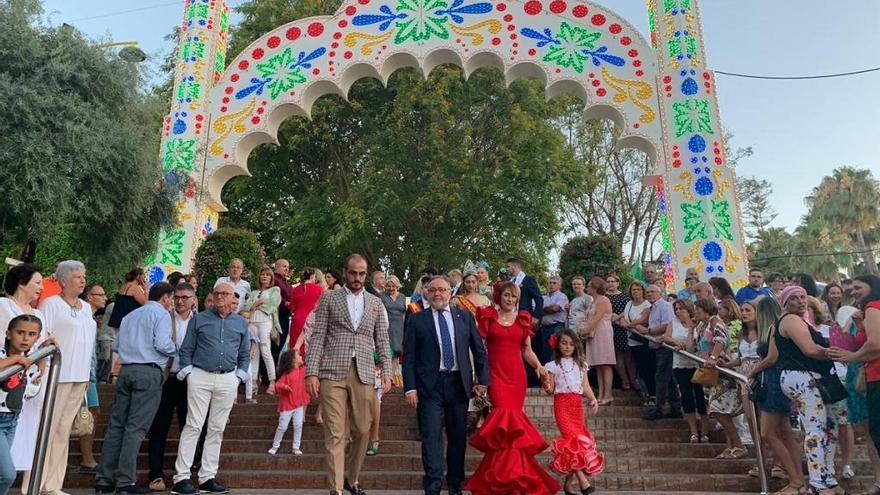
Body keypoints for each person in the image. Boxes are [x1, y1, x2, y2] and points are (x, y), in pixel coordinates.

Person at [305, 254, 392, 495]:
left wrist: (387, 371)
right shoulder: (329, 298)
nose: (357, 278)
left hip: (364, 372)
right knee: (335, 432)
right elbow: (318, 336)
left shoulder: (375, 303)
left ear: (366, 274)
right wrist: (311, 373)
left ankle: (351, 479)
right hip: (332, 371)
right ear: (345, 272)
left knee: (364, 430)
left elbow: (383, 340)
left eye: (362, 273)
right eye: (353, 273)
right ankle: (336, 490)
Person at [464, 281, 559, 495]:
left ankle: (512, 477)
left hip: (517, 377)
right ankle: (503, 477)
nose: (510, 299)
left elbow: (527, 350)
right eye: (506, 295)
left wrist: (539, 367)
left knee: (513, 427)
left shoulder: (523, 320)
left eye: (514, 297)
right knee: (502, 423)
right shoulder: (488, 317)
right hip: (495, 376)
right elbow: (480, 350)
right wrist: (480, 377)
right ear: (499, 297)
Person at [402, 276, 490, 495]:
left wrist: (483, 381)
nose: (438, 294)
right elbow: (409, 357)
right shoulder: (416, 319)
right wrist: (410, 387)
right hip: (429, 388)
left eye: (442, 290)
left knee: (458, 437)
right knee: (431, 437)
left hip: (458, 385)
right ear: (427, 293)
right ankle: (432, 486)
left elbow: (479, 352)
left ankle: (454, 485)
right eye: (433, 291)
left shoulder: (464, 317)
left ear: (451, 292)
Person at [169, 282, 251, 495]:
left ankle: (207, 477)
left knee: (217, 429)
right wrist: (189, 374)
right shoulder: (199, 319)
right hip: (200, 376)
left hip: (228, 379)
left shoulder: (240, 323)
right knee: (193, 426)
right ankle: (181, 477)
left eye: (225, 294)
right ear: (212, 297)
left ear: (234, 297)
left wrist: (239, 377)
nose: (220, 297)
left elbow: (244, 353)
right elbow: (186, 349)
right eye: (217, 294)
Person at [95, 282, 177, 494]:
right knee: (136, 427)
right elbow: (162, 343)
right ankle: (125, 481)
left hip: (126, 370)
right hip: (148, 371)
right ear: (166, 298)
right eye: (172, 299)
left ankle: (104, 479)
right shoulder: (161, 315)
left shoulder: (130, 315)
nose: (172, 303)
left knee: (116, 425)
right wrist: (176, 350)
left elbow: (116, 345)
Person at [23, 261, 96, 495]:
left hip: (79, 375)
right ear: (63, 281)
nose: (82, 280)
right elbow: (41, 338)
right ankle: (32, 484)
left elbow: (89, 344)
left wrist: (88, 376)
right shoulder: (50, 304)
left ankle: (53, 484)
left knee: (63, 431)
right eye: (77, 277)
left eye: (83, 276)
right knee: (47, 429)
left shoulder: (86, 307)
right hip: (57, 375)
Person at [775, 285, 842, 495]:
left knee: (830, 426)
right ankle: (817, 482)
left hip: (813, 377)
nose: (800, 301)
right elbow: (809, 349)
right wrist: (840, 353)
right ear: (785, 303)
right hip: (804, 377)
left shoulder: (802, 321)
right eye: (794, 298)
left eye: (803, 297)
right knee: (815, 428)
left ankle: (828, 476)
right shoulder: (791, 320)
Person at [828, 274, 880, 495]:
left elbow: (876, 343)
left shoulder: (873, 307)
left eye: (859, 287)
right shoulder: (868, 311)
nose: (854, 291)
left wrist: (851, 356)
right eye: (853, 288)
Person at [747, 297, 805, 493]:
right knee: (785, 433)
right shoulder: (777, 327)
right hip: (777, 380)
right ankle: (798, 480)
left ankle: (796, 479)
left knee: (767, 433)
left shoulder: (773, 328)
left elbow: (772, 357)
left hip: (773, 381)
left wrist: (753, 371)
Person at [148, 283, 203, 492]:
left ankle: (186, 472)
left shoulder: (199, 321)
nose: (180, 301)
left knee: (188, 426)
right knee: (159, 427)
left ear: (194, 299)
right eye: (177, 297)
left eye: (185, 297)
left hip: (191, 379)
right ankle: (155, 474)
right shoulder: (162, 317)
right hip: (166, 378)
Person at [0, 263, 50, 477]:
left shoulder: (38, 312)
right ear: (22, 283)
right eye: (37, 282)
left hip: (21, 395)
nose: (41, 287)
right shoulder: (4, 305)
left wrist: (43, 356)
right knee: (7, 473)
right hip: (6, 382)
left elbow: (38, 349)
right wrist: (16, 359)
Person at [542, 329, 603, 495]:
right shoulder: (553, 365)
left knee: (577, 444)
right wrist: (546, 385)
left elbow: (585, 386)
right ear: (558, 345)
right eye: (564, 343)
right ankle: (584, 482)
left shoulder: (581, 364)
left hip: (576, 405)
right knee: (571, 442)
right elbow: (551, 389)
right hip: (561, 405)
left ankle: (568, 485)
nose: (567, 347)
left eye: (571, 344)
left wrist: (592, 399)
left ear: (576, 345)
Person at [808, 296, 856, 481]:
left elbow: (846, 353)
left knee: (844, 423)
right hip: (812, 382)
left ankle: (847, 463)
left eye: (809, 308)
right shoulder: (799, 331)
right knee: (822, 424)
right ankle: (826, 464)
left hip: (837, 379)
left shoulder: (831, 331)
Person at [0, 315, 42, 495]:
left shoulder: (27, 361)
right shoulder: (4, 354)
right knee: (8, 474)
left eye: (32, 334)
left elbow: (37, 376)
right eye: (20, 332)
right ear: (9, 334)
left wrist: (45, 349)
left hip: (12, 420)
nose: (25, 338)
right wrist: (15, 360)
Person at [663, 299, 708, 443]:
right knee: (687, 396)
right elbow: (666, 337)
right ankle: (694, 431)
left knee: (700, 397)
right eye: (676, 309)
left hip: (696, 364)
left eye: (681, 309)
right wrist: (677, 343)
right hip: (680, 365)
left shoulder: (699, 324)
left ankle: (705, 431)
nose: (678, 312)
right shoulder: (673, 323)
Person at [640, 285, 682, 420]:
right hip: (657, 345)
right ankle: (675, 408)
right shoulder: (653, 308)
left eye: (653, 292)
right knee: (668, 378)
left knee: (661, 376)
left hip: (665, 345)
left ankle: (659, 407)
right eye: (648, 292)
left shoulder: (664, 306)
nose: (650, 294)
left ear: (660, 293)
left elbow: (667, 324)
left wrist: (649, 331)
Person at [77, 284, 107, 473]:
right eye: (100, 294)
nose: (105, 297)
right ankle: (86, 459)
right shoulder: (82, 315)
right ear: (89, 297)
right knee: (89, 412)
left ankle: (87, 458)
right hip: (82, 372)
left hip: (90, 371)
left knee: (93, 411)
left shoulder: (90, 318)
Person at [242, 266, 281, 395]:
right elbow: (247, 307)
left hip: (265, 321)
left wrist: (256, 305)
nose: (264, 277)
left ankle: (272, 381)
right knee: (254, 351)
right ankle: (253, 381)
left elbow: (273, 305)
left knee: (265, 349)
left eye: (267, 275)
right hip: (253, 321)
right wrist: (257, 303)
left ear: (271, 278)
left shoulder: (275, 289)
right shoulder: (254, 292)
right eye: (262, 274)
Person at [580, 277, 615, 404]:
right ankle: (601, 394)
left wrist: (584, 330)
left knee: (605, 363)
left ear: (595, 288)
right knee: (598, 364)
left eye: (589, 286)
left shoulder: (603, 300)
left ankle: (608, 394)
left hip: (602, 332)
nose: (587, 288)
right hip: (593, 334)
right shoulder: (592, 301)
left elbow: (597, 318)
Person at [269, 351, 309, 456]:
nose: (301, 356)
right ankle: (275, 445)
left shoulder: (303, 370)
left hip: (298, 404)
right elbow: (278, 385)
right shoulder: (287, 374)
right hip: (287, 406)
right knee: (282, 426)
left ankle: (296, 447)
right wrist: (284, 387)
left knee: (298, 425)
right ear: (292, 360)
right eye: (298, 355)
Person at [619, 282, 653, 404]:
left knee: (646, 369)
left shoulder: (647, 304)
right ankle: (643, 393)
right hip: (631, 340)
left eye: (638, 289)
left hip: (643, 341)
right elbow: (624, 315)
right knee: (636, 368)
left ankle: (651, 395)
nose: (636, 291)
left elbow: (644, 318)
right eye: (633, 289)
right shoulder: (629, 303)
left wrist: (630, 325)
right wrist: (622, 320)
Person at [606, 274, 635, 391]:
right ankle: (625, 381)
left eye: (613, 281)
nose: (610, 283)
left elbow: (629, 309)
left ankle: (633, 380)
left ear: (618, 283)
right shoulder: (604, 297)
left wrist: (618, 318)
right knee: (617, 356)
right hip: (611, 329)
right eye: (608, 281)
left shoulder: (625, 296)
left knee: (629, 356)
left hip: (625, 327)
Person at [289, 268, 324, 358]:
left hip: (297, 319)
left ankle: (295, 370)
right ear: (312, 277)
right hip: (311, 320)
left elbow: (292, 308)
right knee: (310, 347)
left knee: (295, 346)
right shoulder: (319, 289)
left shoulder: (296, 289)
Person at [540, 276, 569, 366]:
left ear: (559, 285)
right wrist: (546, 309)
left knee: (556, 353)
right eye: (550, 282)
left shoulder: (562, 296)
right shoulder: (544, 298)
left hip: (556, 328)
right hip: (544, 328)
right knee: (545, 354)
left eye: (554, 283)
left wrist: (542, 309)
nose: (551, 285)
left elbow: (554, 309)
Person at [379, 275, 407, 369]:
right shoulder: (381, 296)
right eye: (388, 286)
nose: (391, 288)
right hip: (387, 326)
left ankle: (394, 377)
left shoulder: (402, 296)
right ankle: (386, 374)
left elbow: (404, 312)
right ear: (385, 286)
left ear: (397, 286)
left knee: (397, 351)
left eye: (393, 286)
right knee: (387, 351)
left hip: (399, 327)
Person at [273, 259, 294, 362]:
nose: (287, 269)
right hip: (277, 315)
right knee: (275, 345)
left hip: (286, 315)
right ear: (276, 267)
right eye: (284, 266)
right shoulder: (274, 279)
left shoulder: (286, 282)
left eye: (288, 267)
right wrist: (285, 303)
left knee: (281, 345)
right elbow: (273, 296)